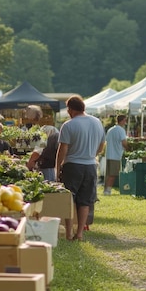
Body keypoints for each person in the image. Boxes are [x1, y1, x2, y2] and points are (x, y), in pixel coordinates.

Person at [56, 96, 105, 241]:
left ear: (70, 109)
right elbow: (102, 145)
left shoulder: (69, 125)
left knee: (69, 199)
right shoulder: (97, 122)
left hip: (72, 165)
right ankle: (80, 233)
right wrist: (91, 155)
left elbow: (62, 149)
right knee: (85, 201)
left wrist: (57, 167)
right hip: (90, 165)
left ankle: (69, 232)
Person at [103, 115, 129, 195]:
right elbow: (124, 142)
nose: (125, 122)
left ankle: (106, 189)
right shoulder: (121, 130)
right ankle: (108, 190)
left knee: (108, 174)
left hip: (109, 154)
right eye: (125, 120)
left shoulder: (111, 129)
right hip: (116, 155)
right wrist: (128, 148)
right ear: (121, 121)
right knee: (113, 174)